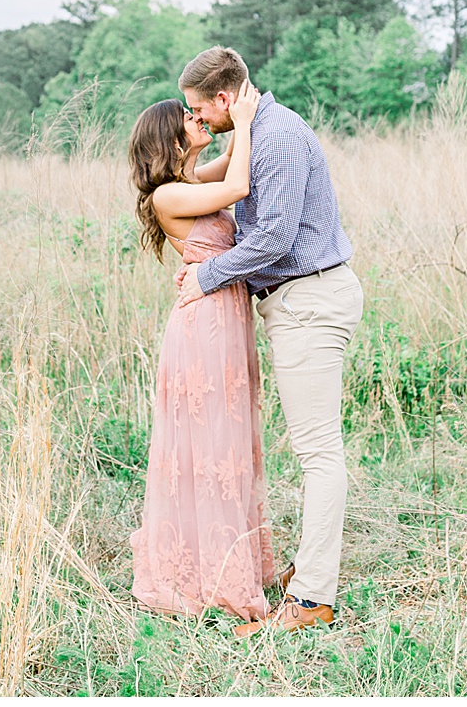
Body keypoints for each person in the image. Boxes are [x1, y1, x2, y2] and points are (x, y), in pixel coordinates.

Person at [174, 46, 362, 638]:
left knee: (318, 454)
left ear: (224, 98)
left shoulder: (276, 138)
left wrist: (205, 276)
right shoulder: (257, 131)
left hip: (309, 299)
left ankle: (312, 600)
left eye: (199, 110)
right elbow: (201, 184)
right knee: (313, 450)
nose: (197, 119)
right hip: (301, 299)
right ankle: (308, 572)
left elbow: (275, 238)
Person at [126, 79, 278, 621]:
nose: (199, 120)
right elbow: (239, 185)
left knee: (227, 441)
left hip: (225, 314)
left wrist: (242, 114)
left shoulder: (191, 180)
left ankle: (231, 562)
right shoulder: (168, 195)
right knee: (211, 444)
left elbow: (234, 160)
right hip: (204, 325)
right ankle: (212, 576)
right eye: (189, 118)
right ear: (172, 139)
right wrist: (244, 122)